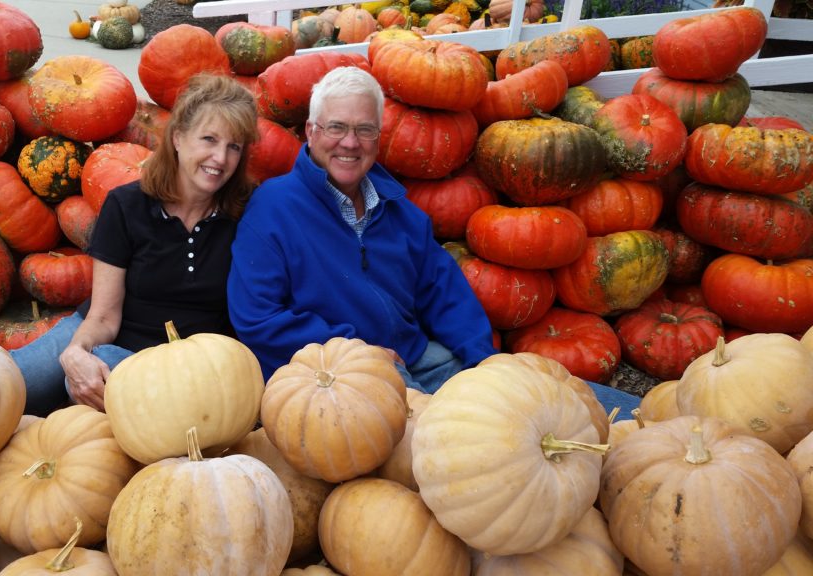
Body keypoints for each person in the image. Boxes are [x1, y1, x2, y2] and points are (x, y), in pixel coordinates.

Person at [227, 66, 641, 418]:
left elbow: (442, 290)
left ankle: (643, 418)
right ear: (311, 132)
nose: (350, 142)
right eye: (336, 127)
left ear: (378, 135)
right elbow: (257, 317)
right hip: (334, 380)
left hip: (416, 355)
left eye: (364, 129)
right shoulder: (273, 208)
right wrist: (357, 353)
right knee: (476, 437)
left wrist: (483, 358)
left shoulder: (400, 211)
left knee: (541, 400)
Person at [12, 74, 259, 416]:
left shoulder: (248, 213)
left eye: (234, 146)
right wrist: (76, 351)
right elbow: (103, 316)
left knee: (102, 375)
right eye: (209, 139)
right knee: (3, 386)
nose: (220, 158)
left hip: (181, 364)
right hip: (105, 334)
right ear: (177, 138)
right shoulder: (127, 205)